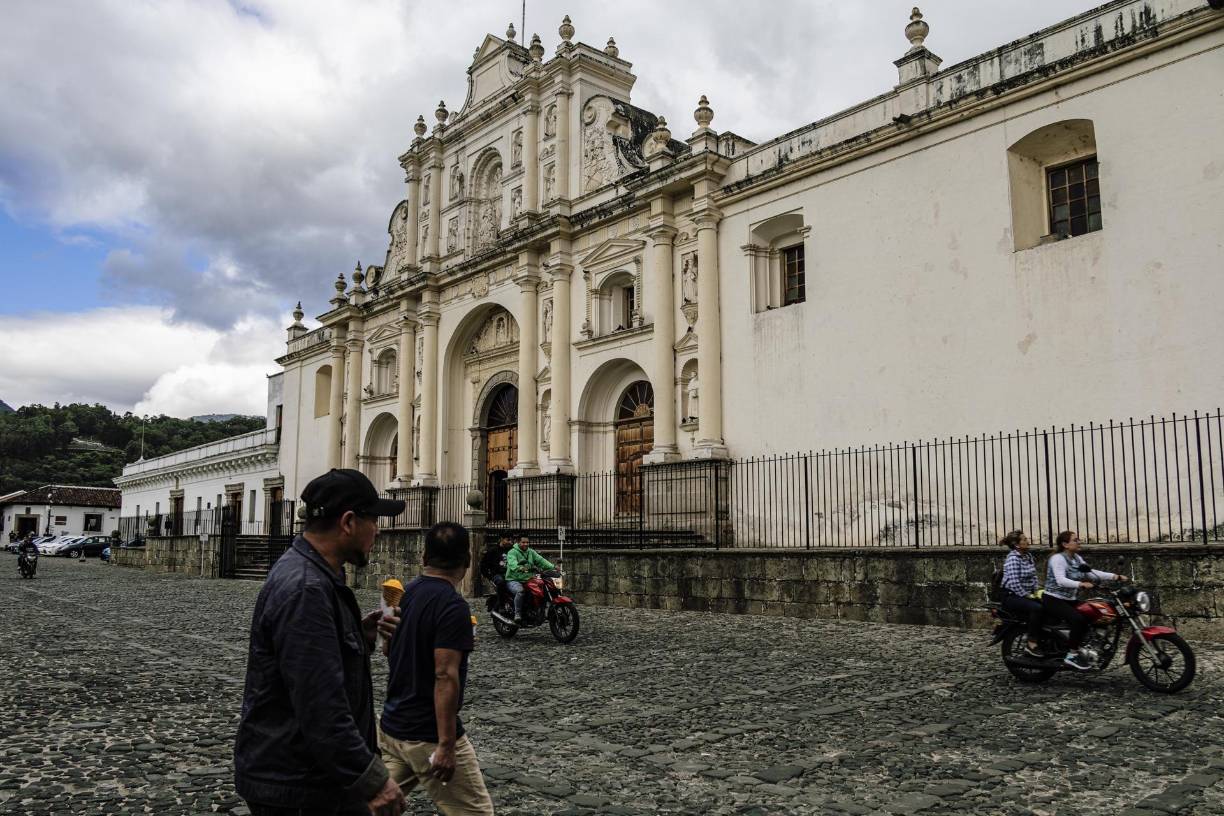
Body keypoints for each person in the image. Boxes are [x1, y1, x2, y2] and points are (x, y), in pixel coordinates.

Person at [234, 468, 407, 816]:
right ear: (348, 522)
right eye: (373, 520)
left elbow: (312, 660)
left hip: (303, 775)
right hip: (301, 785)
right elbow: (320, 704)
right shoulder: (306, 589)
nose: (378, 531)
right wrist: (370, 778)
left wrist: (359, 636)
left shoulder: (315, 574)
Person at [379, 522, 495, 816]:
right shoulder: (452, 605)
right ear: (468, 561)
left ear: (423, 557)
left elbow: (389, 650)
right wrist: (445, 744)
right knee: (476, 812)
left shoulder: (408, 593)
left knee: (375, 806)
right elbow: (445, 675)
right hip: (427, 733)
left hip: (394, 726)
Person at [1042, 530, 1127, 670]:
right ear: (1065, 544)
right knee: (1077, 619)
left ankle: (1085, 647)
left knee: (1091, 614)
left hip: (1070, 599)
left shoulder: (1076, 558)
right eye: (1075, 540)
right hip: (1053, 599)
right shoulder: (1058, 559)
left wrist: (1115, 576)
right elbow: (1061, 580)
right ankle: (1072, 655)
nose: (1079, 542)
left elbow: (1091, 573)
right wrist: (1080, 584)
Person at [998, 530, 1044, 657]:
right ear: (1017, 545)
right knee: (1037, 608)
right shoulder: (1013, 559)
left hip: (1026, 594)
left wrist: (1036, 592)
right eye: (1024, 539)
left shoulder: (1028, 556)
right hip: (1011, 595)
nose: (1027, 541)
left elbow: (1033, 577)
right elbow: (1014, 583)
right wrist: (1027, 595)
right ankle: (1031, 643)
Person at [504, 535, 556, 625]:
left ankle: (538, 610)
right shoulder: (512, 552)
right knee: (520, 591)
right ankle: (517, 614)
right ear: (518, 543)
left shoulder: (531, 552)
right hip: (513, 579)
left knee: (542, 586)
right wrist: (520, 568)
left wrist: (553, 567)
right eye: (523, 542)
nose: (526, 544)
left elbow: (541, 561)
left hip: (528, 579)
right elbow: (513, 564)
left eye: (527, 542)